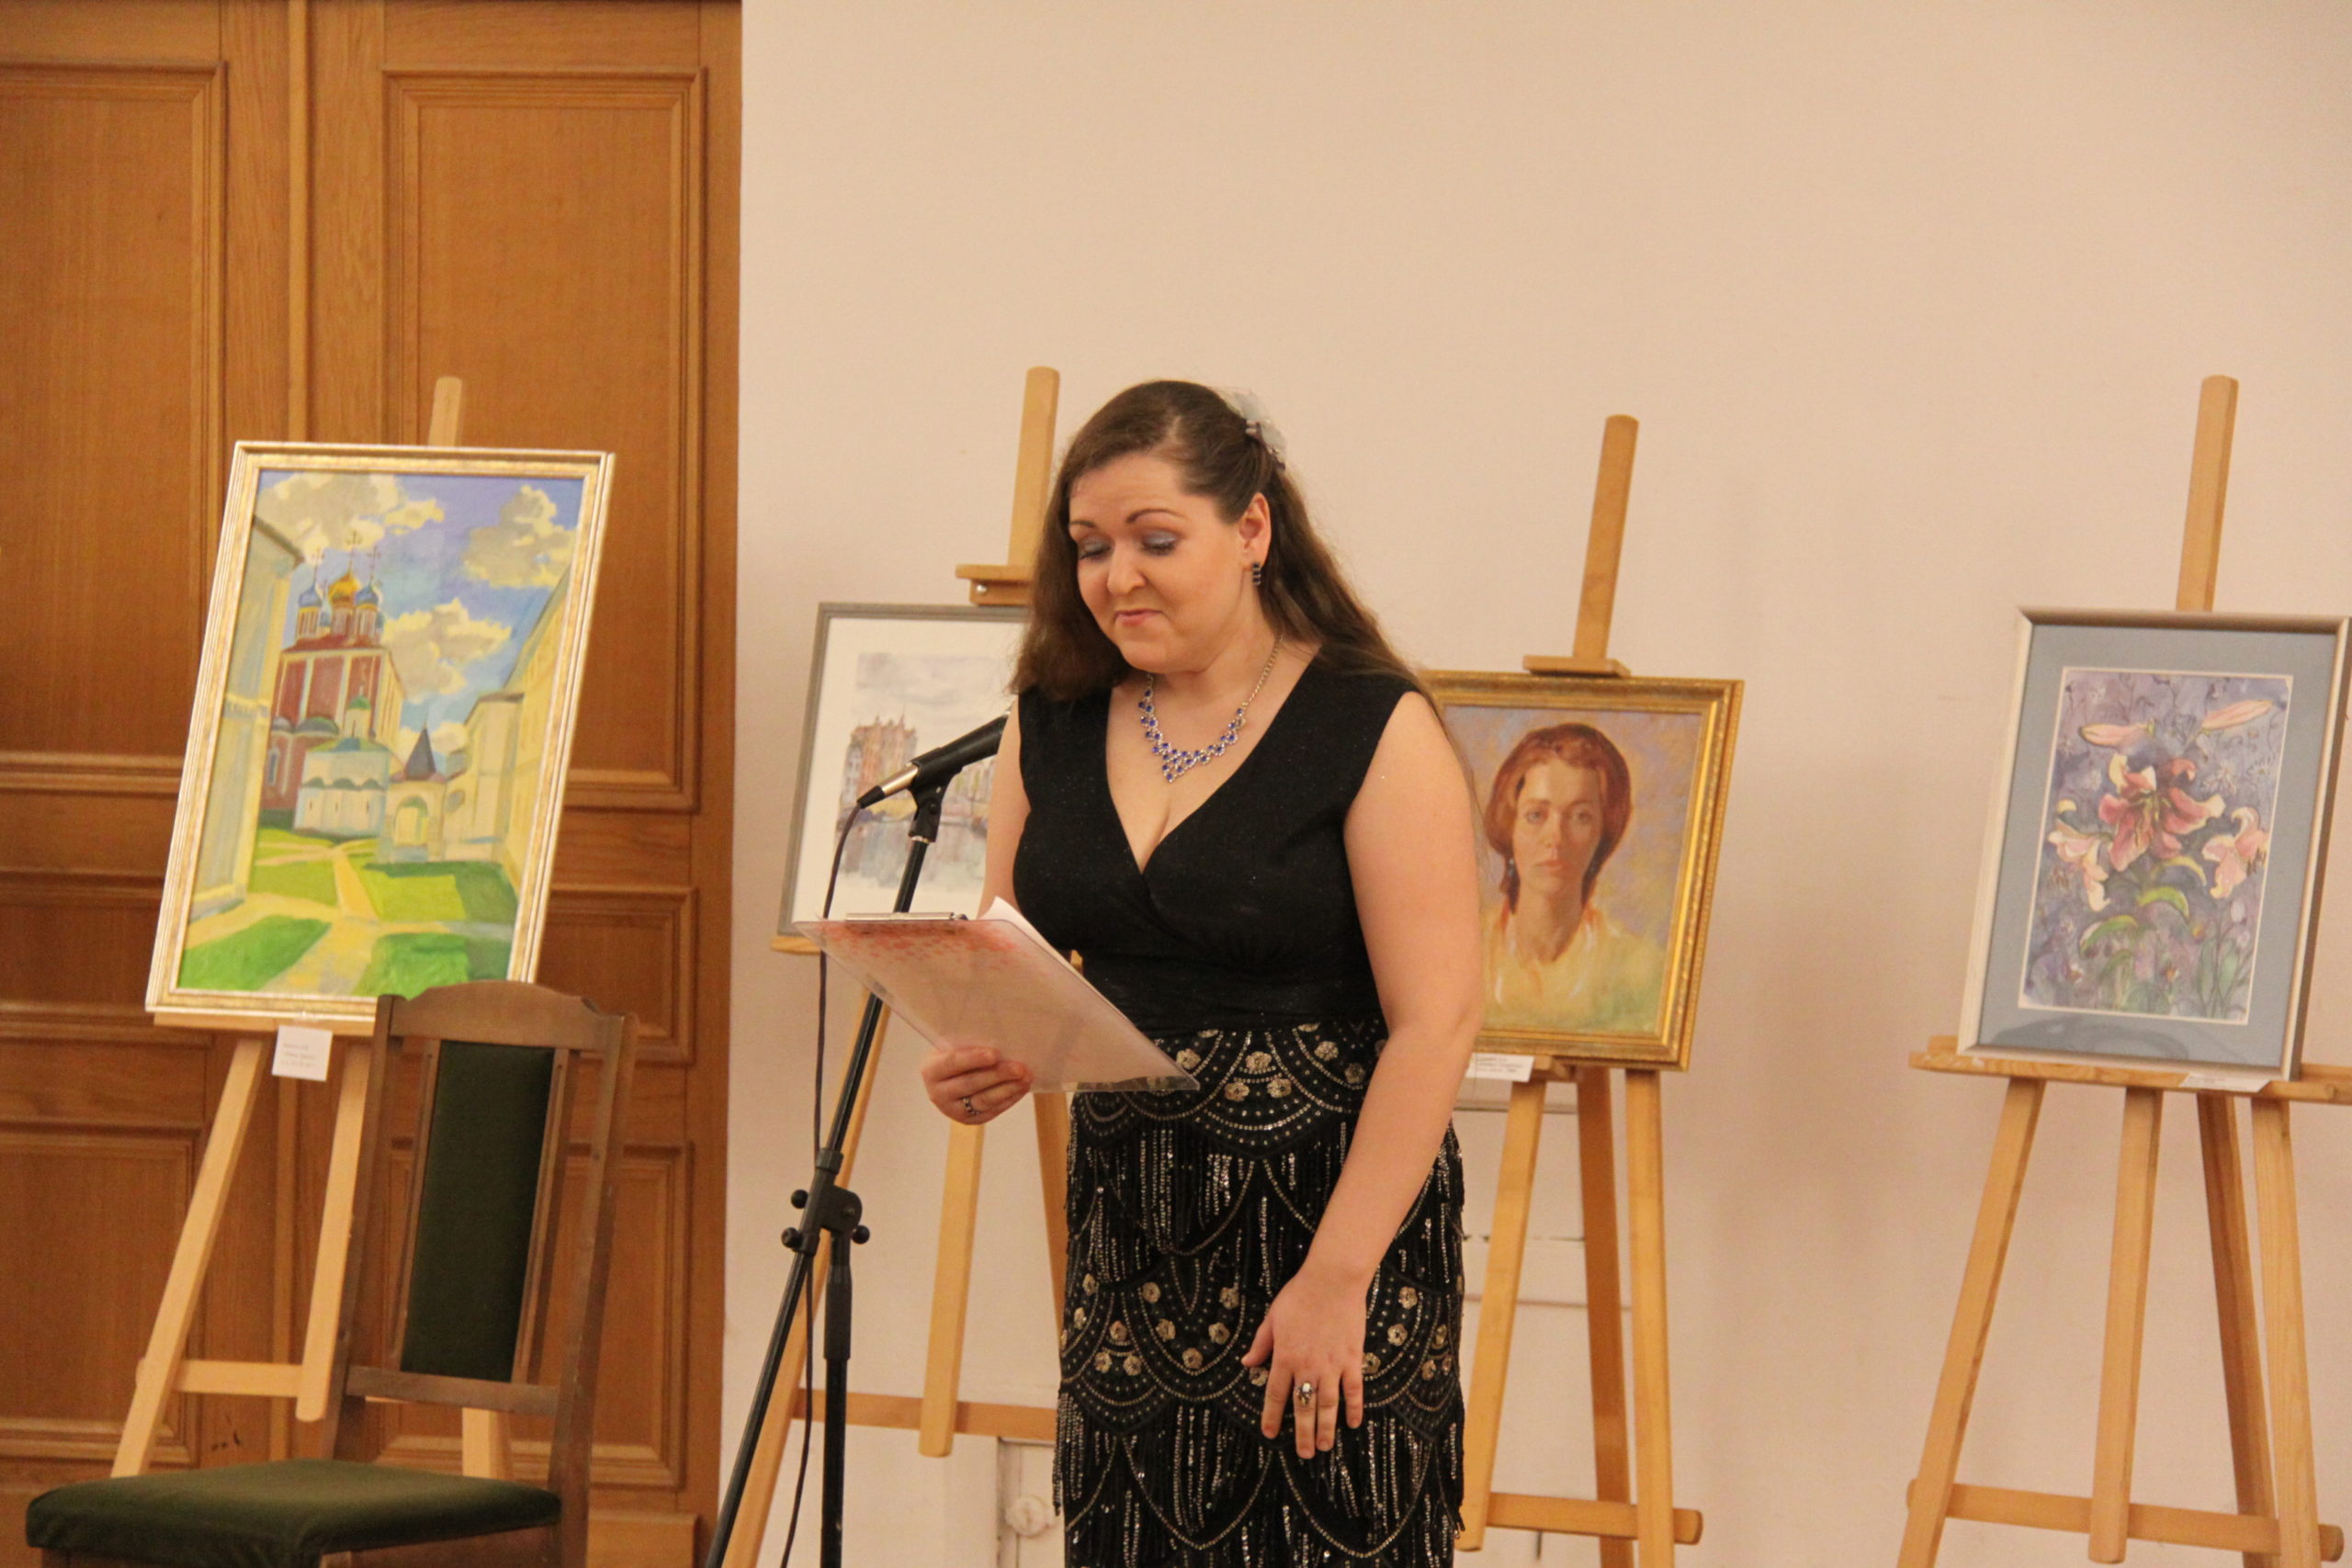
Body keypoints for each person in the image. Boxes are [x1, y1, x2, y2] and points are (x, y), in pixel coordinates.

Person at [919, 380, 1484, 1566]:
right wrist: (984, 1057)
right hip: (1133, 1237)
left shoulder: (1369, 722)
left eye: (1154, 540)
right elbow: (1010, 955)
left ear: (1251, 530)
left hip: (1333, 1227)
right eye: (1090, 547)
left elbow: (1436, 1021)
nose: (1116, 575)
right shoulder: (1051, 717)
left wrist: (1335, 1277)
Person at [1479, 723, 1665, 1033]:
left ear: (1603, 832)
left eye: (1580, 817)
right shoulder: (1465, 954)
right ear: (1509, 825)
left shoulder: (1637, 969)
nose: (1556, 838)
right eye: (1536, 815)